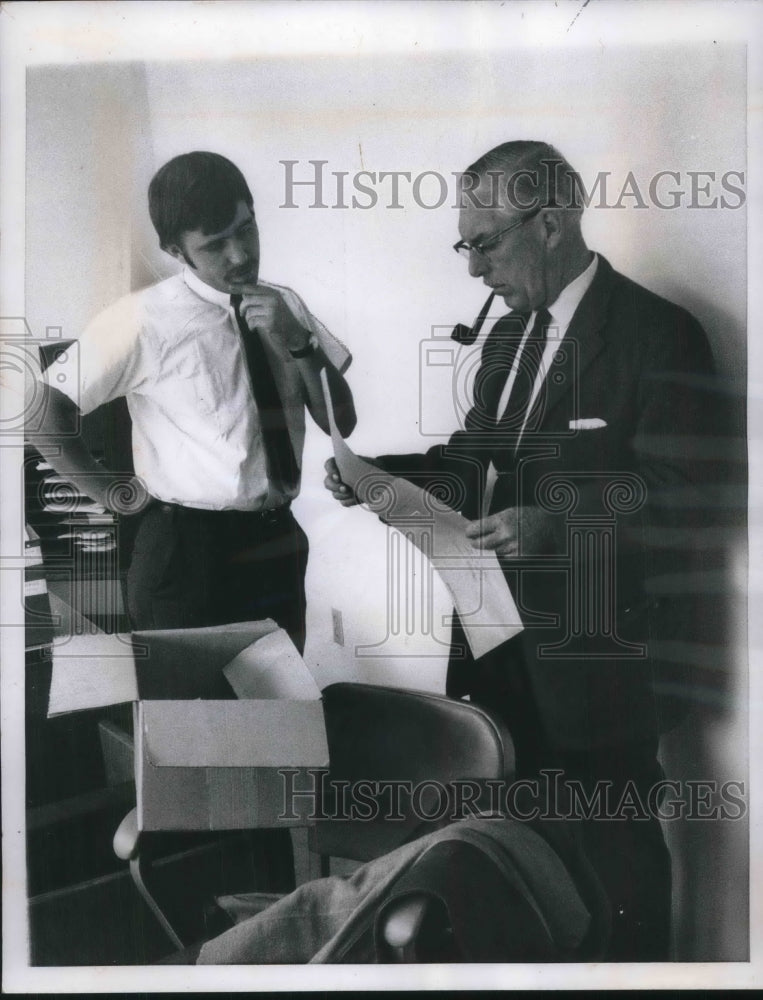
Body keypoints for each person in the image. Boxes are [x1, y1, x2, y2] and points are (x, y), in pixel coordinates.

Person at [324, 140, 723, 960]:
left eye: (486, 242)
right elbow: (478, 464)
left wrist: (551, 521)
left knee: (616, 864)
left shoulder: (659, 334)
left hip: (599, 662)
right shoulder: (506, 339)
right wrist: (380, 480)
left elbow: (687, 495)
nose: (473, 268)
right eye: (463, 243)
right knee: (517, 857)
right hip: (498, 648)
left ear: (551, 222)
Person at [29, 151, 356, 651]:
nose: (241, 256)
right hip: (188, 555)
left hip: (278, 542)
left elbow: (343, 422)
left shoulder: (287, 305)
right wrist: (117, 495)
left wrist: (300, 345)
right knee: (191, 722)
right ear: (175, 250)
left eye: (246, 230)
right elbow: (42, 412)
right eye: (216, 245)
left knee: (283, 718)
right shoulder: (142, 318)